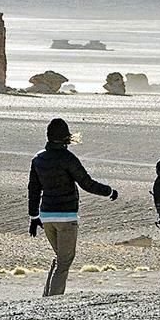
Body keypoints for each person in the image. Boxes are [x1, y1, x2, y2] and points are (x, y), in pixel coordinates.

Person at [28, 117, 118, 296]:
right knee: (64, 261)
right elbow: (86, 183)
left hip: (46, 216)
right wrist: (109, 192)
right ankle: (53, 299)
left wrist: (33, 217)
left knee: (59, 258)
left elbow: (34, 189)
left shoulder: (38, 159)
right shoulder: (68, 158)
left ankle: (47, 295)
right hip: (66, 216)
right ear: (65, 137)